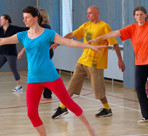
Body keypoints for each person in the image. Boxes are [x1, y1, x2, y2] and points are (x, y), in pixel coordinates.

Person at [0, 6, 108, 136]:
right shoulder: (22, 35)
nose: (24, 20)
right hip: (33, 78)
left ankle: (90, 129)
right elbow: (3, 41)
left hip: (50, 76)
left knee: (68, 102)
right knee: (31, 113)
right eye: (23, 18)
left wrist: (89, 47)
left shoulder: (48, 34)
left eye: (27, 17)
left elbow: (70, 43)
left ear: (36, 18)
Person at [51, 5, 125, 119]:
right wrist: (58, 42)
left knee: (98, 90)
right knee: (72, 85)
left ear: (97, 13)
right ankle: (62, 107)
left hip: (95, 64)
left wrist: (120, 60)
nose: (87, 15)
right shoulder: (86, 25)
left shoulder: (104, 27)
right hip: (83, 61)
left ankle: (107, 108)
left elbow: (115, 44)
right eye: (87, 13)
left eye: (90, 13)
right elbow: (72, 34)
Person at [88, 6, 148, 123]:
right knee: (139, 87)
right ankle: (147, 115)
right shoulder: (132, 28)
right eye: (137, 15)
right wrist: (98, 38)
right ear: (134, 17)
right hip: (141, 62)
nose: (139, 17)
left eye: (141, 14)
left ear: (146, 15)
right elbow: (114, 33)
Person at [18, 8, 53, 101]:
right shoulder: (38, 27)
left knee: (45, 73)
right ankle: (45, 94)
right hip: (41, 52)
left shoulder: (45, 27)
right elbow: (31, 41)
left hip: (45, 53)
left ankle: (47, 95)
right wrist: (22, 51)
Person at [0, 14, 27, 91]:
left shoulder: (14, 29)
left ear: (7, 20)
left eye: (1, 19)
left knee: (13, 69)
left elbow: (25, 29)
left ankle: (19, 86)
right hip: (1, 53)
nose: (0, 21)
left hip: (11, 53)